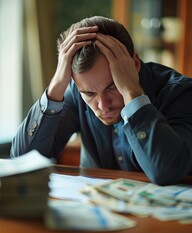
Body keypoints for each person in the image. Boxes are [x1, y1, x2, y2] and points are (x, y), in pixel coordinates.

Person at [11, 16, 192, 185]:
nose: (103, 105)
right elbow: (21, 161)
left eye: (112, 87)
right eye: (89, 94)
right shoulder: (76, 91)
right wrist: (56, 87)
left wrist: (132, 93)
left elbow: (166, 171)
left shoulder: (181, 93)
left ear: (134, 64)